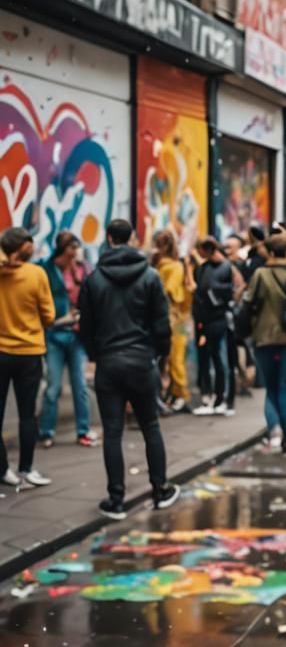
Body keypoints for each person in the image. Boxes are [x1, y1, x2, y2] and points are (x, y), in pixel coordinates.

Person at [77, 219, 179, 518]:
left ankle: (116, 499)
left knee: (112, 431)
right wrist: (159, 355)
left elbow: (86, 327)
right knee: (150, 426)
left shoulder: (94, 279)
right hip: (141, 360)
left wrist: (97, 355)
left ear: (109, 238)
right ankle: (160, 489)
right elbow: (162, 323)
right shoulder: (150, 276)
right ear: (132, 238)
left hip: (109, 362)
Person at [243, 232, 286, 456]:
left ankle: (274, 432)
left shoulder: (260, 274)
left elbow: (248, 303)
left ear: (270, 252)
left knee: (270, 388)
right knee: (285, 387)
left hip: (264, 337)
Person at [0, 227, 55, 486]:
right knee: (27, 414)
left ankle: (2, 470)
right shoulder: (36, 274)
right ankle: (26, 468)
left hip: (1, 352)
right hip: (30, 352)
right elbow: (49, 317)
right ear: (25, 247)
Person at [38, 231, 96, 447]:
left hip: (76, 334)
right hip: (54, 333)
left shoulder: (81, 269)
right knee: (53, 387)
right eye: (72, 248)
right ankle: (46, 431)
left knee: (80, 385)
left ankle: (83, 430)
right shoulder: (47, 269)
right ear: (64, 249)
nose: (76, 253)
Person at [192, 237, 237, 416]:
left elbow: (228, 291)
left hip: (217, 318)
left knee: (220, 359)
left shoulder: (222, 268)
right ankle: (216, 396)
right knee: (213, 358)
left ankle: (222, 397)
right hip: (208, 318)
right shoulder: (205, 268)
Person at [152, 230, 193, 413]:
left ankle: (180, 394)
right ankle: (177, 393)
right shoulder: (174, 266)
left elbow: (169, 291)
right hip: (177, 318)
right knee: (174, 357)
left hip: (172, 318)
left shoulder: (167, 267)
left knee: (174, 357)